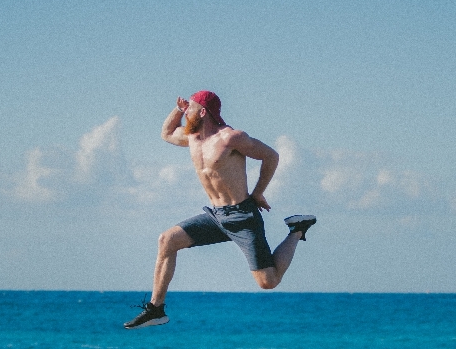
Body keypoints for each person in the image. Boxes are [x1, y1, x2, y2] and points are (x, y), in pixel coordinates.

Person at [125, 90, 316, 329]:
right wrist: (179, 109)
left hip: (243, 215)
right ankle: (156, 309)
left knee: (268, 281)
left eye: (190, 109)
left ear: (203, 112)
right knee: (167, 240)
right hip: (215, 216)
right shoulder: (193, 138)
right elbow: (165, 133)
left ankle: (297, 229)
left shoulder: (231, 138)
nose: (186, 114)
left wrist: (257, 193)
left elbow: (271, 156)